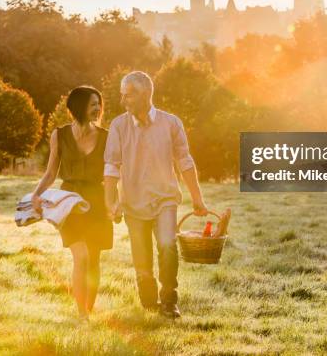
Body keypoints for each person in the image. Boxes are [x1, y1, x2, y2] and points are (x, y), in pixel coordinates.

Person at [103, 71, 208, 319]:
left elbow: (184, 160)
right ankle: (148, 297)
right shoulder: (118, 126)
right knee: (142, 256)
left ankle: (169, 298)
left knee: (167, 244)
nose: (124, 100)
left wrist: (197, 197)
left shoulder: (171, 123)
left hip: (165, 199)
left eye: (129, 95)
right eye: (122, 95)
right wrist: (110, 201)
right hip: (133, 201)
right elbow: (111, 165)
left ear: (146, 93)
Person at [31, 86, 113, 322]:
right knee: (81, 256)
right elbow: (50, 172)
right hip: (69, 203)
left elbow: (112, 176)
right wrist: (37, 194)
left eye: (99, 103)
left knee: (94, 259)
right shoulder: (60, 135)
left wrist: (113, 203)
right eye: (91, 103)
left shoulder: (107, 137)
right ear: (78, 107)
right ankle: (82, 314)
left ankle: (89, 308)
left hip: (97, 202)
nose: (97, 108)